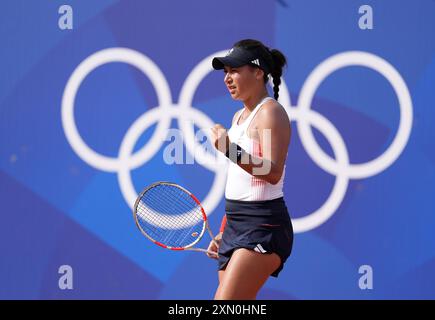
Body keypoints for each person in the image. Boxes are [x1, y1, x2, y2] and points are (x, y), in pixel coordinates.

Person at [208, 39, 294, 300]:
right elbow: (238, 182)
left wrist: (228, 148)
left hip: (264, 225)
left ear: (258, 72)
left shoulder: (270, 113)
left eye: (234, 70)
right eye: (225, 72)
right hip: (236, 225)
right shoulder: (238, 117)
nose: (227, 78)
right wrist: (225, 229)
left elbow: (272, 171)